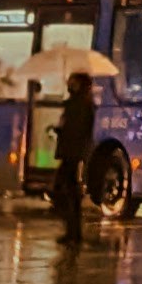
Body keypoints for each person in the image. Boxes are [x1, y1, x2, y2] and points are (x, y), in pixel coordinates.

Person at [52, 72, 97, 249]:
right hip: (73, 153)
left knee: (64, 191)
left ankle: (73, 233)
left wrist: (60, 131)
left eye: (73, 82)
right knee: (69, 193)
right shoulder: (80, 104)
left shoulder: (79, 105)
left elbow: (76, 131)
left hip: (72, 154)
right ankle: (73, 233)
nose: (69, 84)